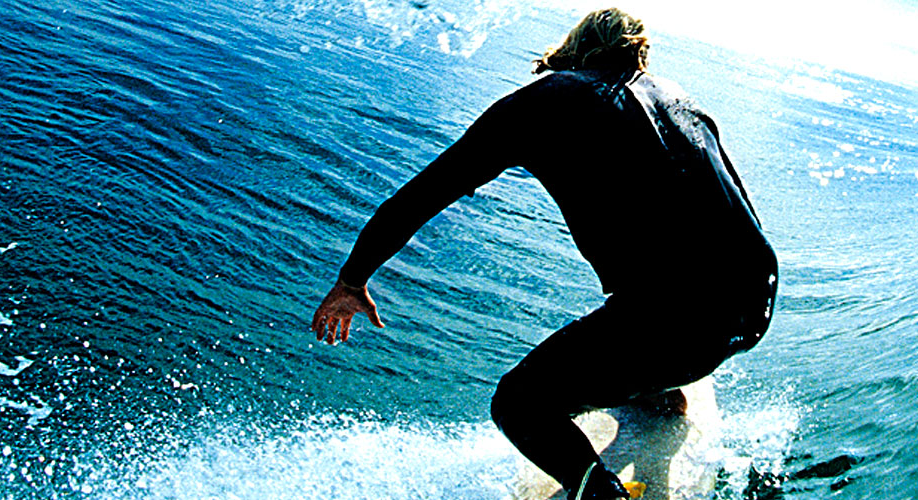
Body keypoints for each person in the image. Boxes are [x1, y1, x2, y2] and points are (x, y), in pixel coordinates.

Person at [309, 7, 776, 499]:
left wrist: (353, 280)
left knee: (520, 403)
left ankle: (602, 494)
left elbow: (426, 193)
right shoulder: (681, 99)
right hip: (754, 303)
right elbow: (742, 211)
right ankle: (660, 394)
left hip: (673, 320)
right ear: (636, 53)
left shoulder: (545, 101)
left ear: (573, 51)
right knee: (648, 309)